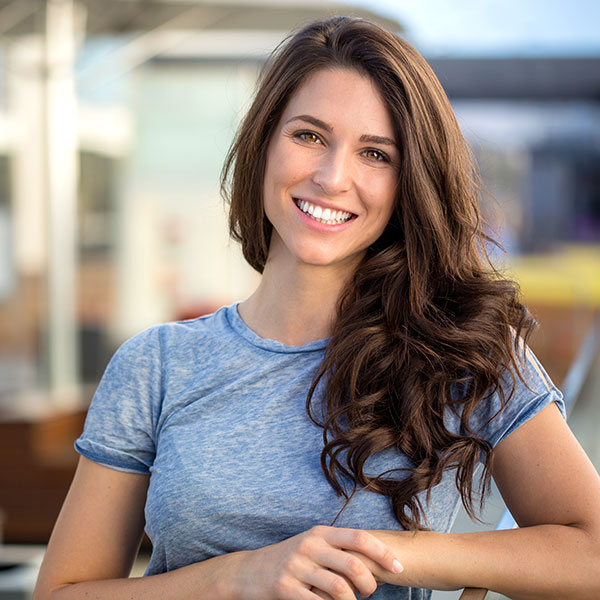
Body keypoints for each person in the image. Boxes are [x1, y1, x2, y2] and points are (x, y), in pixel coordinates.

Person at [34, 16, 600, 600]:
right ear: (263, 143)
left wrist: (393, 556)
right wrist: (240, 575)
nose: (333, 177)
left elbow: (592, 553)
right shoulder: (156, 365)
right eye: (309, 136)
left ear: (409, 182)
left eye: (376, 153)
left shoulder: (460, 347)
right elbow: (58, 594)